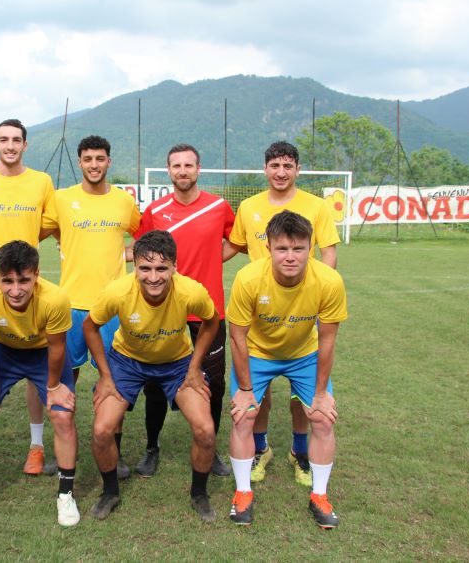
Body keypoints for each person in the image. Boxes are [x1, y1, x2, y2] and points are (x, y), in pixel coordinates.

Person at [225, 141, 340, 487]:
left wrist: (318, 293)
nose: (281, 172)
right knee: (257, 396)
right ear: (265, 169)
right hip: (261, 312)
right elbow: (235, 245)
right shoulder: (248, 206)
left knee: (300, 398)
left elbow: (328, 254)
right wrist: (194, 261)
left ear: (297, 170)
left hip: (301, 313)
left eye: (287, 166)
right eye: (275, 165)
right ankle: (260, 449)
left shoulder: (316, 207)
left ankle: (299, 450)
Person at [85, 230, 220, 522]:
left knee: (206, 431)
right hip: (127, 362)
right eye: (145, 268)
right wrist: (106, 376)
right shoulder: (118, 292)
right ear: (135, 267)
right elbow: (90, 327)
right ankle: (110, 492)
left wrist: (195, 366)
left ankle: (199, 494)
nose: (153, 277)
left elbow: (212, 321)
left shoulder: (191, 291)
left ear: (174, 267)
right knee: (101, 429)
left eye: (161, 268)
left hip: (177, 364)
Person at [225, 211, 347, 529]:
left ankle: (319, 496)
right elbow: (236, 336)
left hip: (304, 354)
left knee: (322, 417)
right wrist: (246, 390)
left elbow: (328, 340)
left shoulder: (329, 281)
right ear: (269, 248)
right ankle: (242, 493)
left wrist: (320, 394)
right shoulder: (249, 279)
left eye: (299, 249)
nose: (290, 257)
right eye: (282, 249)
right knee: (244, 413)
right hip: (257, 352)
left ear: (310, 247)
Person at [40, 135, 141, 479]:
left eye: (100, 158)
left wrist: (129, 255)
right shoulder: (63, 198)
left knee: (115, 381)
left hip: (113, 308)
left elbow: (144, 234)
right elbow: (40, 231)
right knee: (64, 379)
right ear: (80, 162)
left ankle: (115, 449)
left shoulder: (123, 202)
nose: (94, 164)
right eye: (88, 159)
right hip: (70, 307)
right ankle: (62, 449)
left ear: (108, 162)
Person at [133, 144, 236, 478]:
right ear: (168, 170)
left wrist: (210, 261)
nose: (182, 171)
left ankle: (211, 446)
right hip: (164, 312)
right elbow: (141, 251)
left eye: (188, 165)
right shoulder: (155, 211)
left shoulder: (219, 207)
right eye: (176, 165)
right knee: (155, 384)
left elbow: (236, 241)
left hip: (208, 313)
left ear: (199, 169)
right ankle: (152, 447)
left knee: (214, 384)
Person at [0, 119, 57, 476]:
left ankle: (36, 447)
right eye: (4, 139)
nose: (11, 145)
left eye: (17, 140)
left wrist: (26, 249)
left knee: (36, 373)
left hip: (27, 289)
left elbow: (49, 225)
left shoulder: (42, 182)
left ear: (26, 145)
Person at [0, 240, 80, 526]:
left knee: (62, 416)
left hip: (43, 354)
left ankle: (66, 495)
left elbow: (56, 348)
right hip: (3, 353)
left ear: (37, 275)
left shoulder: (55, 298)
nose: (16, 290)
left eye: (24, 280)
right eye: (7, 281)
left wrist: (53, 387)